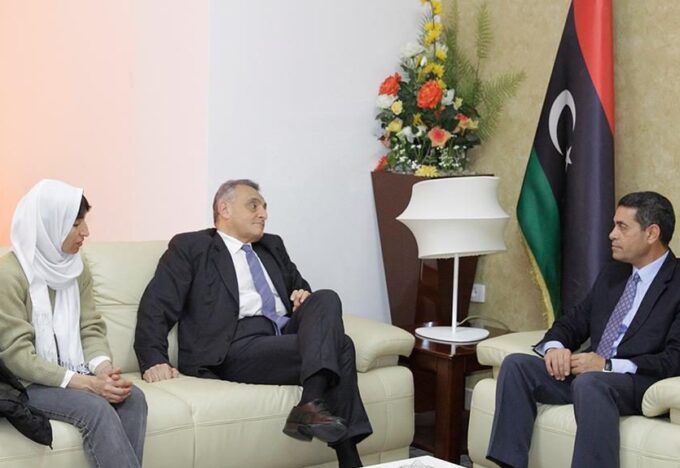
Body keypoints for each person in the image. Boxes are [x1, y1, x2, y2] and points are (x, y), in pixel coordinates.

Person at [134, 179, 371, 468]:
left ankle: (309, 405)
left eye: (264, 207)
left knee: (325, 297)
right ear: (225, 209)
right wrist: (153, 359)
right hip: (234, 346)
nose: (263, 214)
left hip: (282, 336)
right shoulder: (192, 247)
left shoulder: (273, 246)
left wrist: (302, 296)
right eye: (253, 206)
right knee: (342, 346)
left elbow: (302, 293)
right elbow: (156, 305)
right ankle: (347, 457)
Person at [486, 191, 680, 468]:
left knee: (591, 382)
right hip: (588, 377)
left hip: (636, 381)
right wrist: (555, 348)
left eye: (622, 227)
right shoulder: (614, 273)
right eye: (613, 225)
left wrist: (607, 365)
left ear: (652, 233)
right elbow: (572, 322)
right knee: (517, 365)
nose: (612, 234)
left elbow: (673, 360)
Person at [0, 179, 148, 468]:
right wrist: (87, 384)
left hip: (74, 373)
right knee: (96, 408)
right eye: (76, 224)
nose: (86, 232)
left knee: (132, 398)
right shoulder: (9, 275)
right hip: (27, 383)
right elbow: (17, 356)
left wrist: (104, 371)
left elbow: (90, 327)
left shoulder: (77, 269)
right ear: (49, 225)